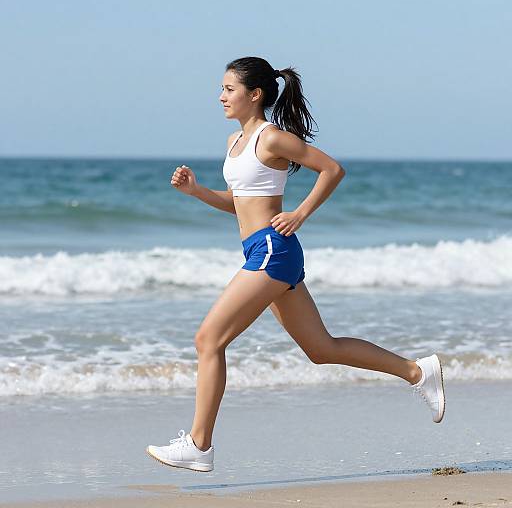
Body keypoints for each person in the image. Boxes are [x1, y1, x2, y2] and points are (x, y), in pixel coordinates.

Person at [146, 56, 445, 473]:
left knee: (208, 339)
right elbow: (241, 204)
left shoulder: (271, 138)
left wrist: (301, 213)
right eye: (221, 88)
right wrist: (198, 192)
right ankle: (417, 372)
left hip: (274, 249)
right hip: (260, 250)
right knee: (321, 350)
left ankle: (199, 444)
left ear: (255, 94)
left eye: (229, 89)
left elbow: (332, 169)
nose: (221, 97)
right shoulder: (235, 143)